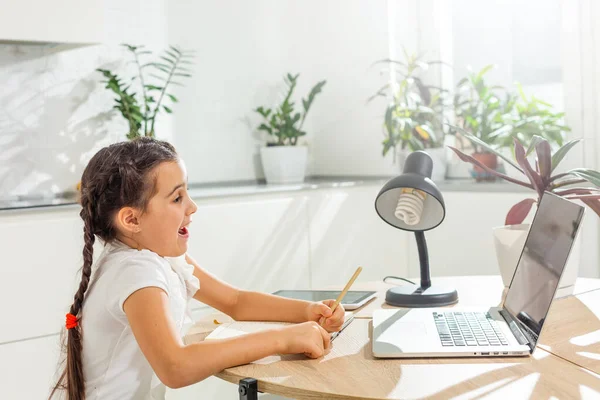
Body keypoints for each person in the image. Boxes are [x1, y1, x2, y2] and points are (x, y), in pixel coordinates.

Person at [50, 137, 344, 400]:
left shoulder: (155, 256)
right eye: (177, 198)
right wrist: (282, 338)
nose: (192, 207)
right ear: (132, 220)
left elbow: (235, 301)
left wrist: (307, 312)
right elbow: (175, 368)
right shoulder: (136, 271)